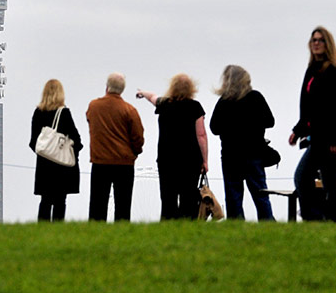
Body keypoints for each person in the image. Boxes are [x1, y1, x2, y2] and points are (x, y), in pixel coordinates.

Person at [289, 26, 336, 222]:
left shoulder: (335, 72)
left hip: (327, 138)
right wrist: (298, 130)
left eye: (320, 40)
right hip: (315, 134)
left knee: (302, 175)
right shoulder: (312, 70)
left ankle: (313, 216)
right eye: (313, 40)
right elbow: (308, 107)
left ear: (328, 44)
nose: (316, 43)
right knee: (331, 180)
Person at [137, 74, 208, 220]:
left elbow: (153, 97)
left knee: (168, 196)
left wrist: (143, 93)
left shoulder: (164, 104)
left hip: (167, 159)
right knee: (188, 196)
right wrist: (205, 160)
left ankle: (168, 224)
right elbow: (201, 135)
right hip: (190, 160)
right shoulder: (195, 107)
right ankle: (187, 225)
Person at [209, 65, 275, 221]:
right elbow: (270, 121)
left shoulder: (224, 102)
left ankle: (236, 225)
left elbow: (214, 128)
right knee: (260, 193)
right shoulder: (256, 97)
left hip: (231, 155)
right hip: (254, 153)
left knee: (233, 195)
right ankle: (267, 223)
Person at [87, 73, 145, 222]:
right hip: (124, 164)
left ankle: (95, 237)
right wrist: (135, 152)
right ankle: (122, 237)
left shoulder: (94, 106)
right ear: (122, 90)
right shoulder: (129, 110)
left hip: (100, 162)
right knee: (123, 207)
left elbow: (89, 120)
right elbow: (138, 137)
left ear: (107, 87)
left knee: (97, 207)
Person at [29, 79, 83, 222]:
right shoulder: (64, 113)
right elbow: (76, 139)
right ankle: (58, 232)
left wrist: (45, 152)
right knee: (60, 201)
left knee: (45, 200)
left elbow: (33, 142)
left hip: (44, 167)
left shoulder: (38, 112)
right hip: (61, 167)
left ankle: (42, 232)